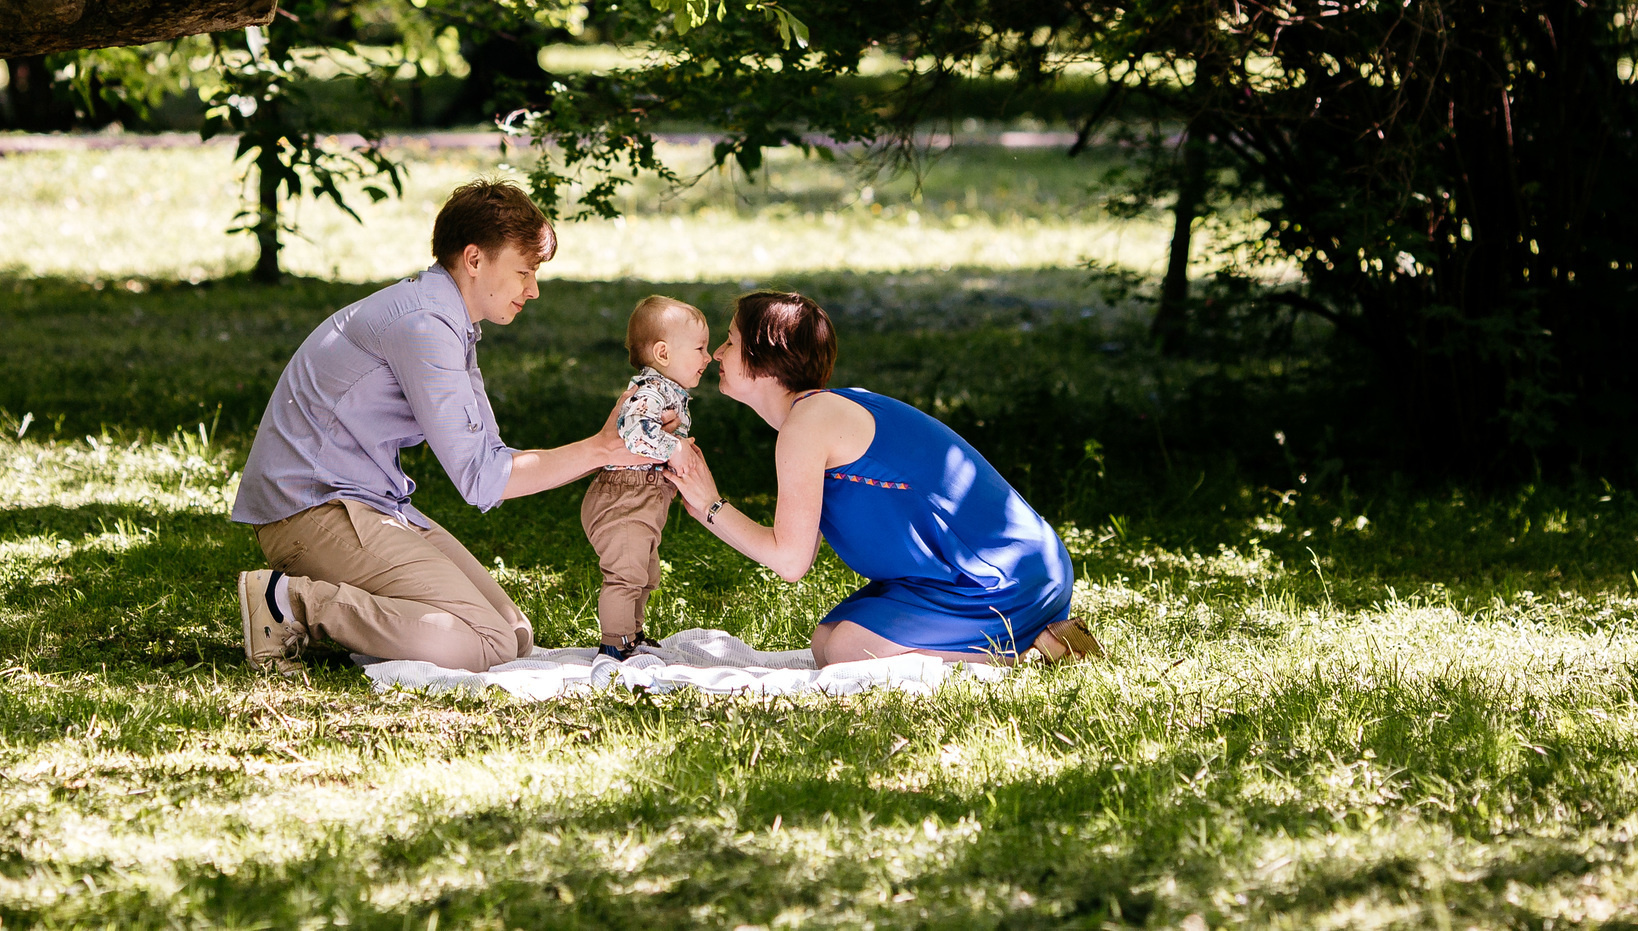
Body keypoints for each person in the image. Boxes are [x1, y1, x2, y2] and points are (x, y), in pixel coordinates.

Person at [230, 180, 639, 671]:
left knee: (514, 635)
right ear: (474, 258)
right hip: (309, 514)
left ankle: (346, 618)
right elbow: (482, 479)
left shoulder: (448, 319)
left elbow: (491, 456)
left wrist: (605, 448)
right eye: (524, 271)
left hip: (366, 504)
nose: (533, 289)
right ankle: (291, 603)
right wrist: (600, 449)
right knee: (483, 643)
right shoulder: (424, 325)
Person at [666, 290, 1101, 666]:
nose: (718, 354)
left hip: (1005, 579)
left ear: (767, 357)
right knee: (826, 644)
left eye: (730, 341)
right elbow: (797, 549)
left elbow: (789, 562)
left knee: (849, 650)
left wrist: (709, 504)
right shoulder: (813, 415)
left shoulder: (809, 421)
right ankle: (1018, 636)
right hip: (955, 575)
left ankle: (1031, 644)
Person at [582, 294, 708, 659]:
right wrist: (674, 448)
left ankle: (633, 635)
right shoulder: (651, 393)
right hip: (622, 498)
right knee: (626, 574)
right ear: (664, 354)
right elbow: (634, 431)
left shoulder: (669, 392)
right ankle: (615, 642)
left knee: (645, 572)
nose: (707, 358)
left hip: (642, 498)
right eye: (700, 348)